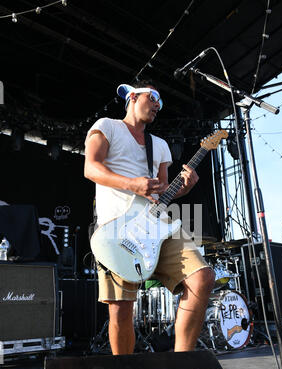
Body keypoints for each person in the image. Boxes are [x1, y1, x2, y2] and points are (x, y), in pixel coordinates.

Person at [84, 79, 215, 355]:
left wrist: (185, 188)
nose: (158, 105)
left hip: (159, 227)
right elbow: (91, 168)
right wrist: (132, 184)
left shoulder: (160, 145)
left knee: (202, 277)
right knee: (121, 310)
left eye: (161, 102)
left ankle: (182, 363)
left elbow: (162, 191)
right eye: (153, 97)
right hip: (117, 228)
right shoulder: (107, 126)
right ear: (132, 96)